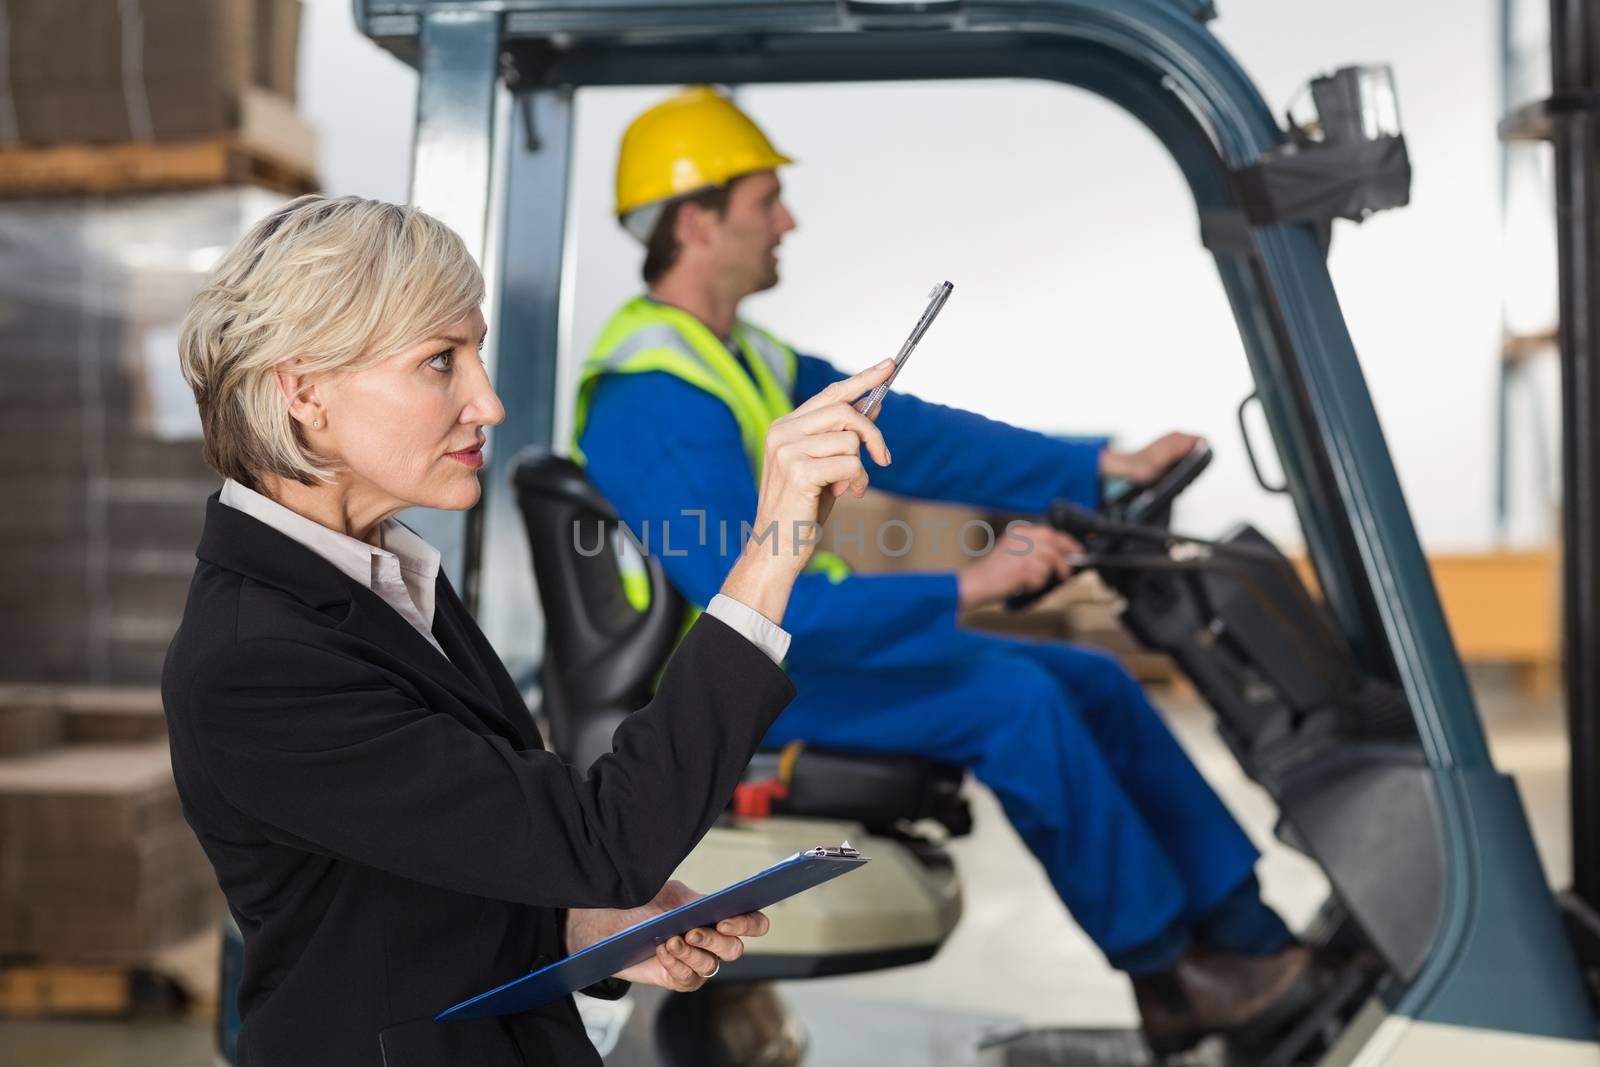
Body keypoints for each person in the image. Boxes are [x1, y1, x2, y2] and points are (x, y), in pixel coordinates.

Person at [575, 86, 1315, 1053]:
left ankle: (1248, 937)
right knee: (1012, 699)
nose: (787, 218)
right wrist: (971, 584)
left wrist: (1096, 466)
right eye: (766, 200)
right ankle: (1171, 973)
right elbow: (740, 602)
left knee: (1086, 675)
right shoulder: (654, 393)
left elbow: (920, 440)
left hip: (792, 660)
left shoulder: (740, 355)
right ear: (696, 217)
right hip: (723, 695)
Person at [162, 194, 897, 1066]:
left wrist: (583, 924)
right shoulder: (259, 662)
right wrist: (772, 549)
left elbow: (413, 874)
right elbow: (600, 841)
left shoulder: (380, 574)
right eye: (441, 361)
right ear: (304, 391)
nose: (489, 402)